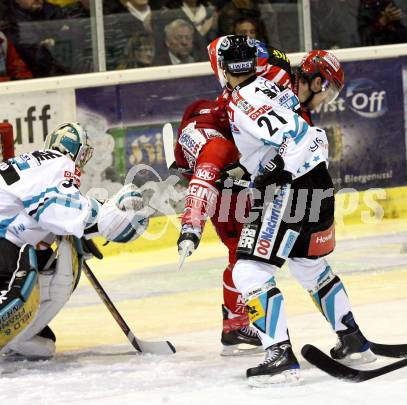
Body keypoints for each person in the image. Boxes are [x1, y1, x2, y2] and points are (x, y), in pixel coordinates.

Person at [215, 35, 374, 386]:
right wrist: (256, 171)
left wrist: (277, 170)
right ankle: (353, 340)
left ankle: (279, 356)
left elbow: (290, 141)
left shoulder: (245, 99)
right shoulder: (279, 91)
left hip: (288, 190)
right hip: (318, 182)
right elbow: (311, 137)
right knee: (310, 266)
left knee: (249, 272)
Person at [175, 37, 294, 354]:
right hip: (225, 187)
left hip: (236, 178)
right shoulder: (220, 128)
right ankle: (237, 324)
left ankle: (238, 323)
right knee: (243, 255)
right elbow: (205, 176)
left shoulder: (244, 101)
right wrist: (191, 226)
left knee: (245, 255)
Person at [0, 122, 149, 359]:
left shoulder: (35, 162)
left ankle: (13, 341)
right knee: (30, 330)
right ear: (76, 150)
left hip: (6, 242)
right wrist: (100, 218)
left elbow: (35, 215)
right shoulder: (60, 163)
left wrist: (81, 232)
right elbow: (56, 207)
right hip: (3, 247)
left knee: (43, 339)